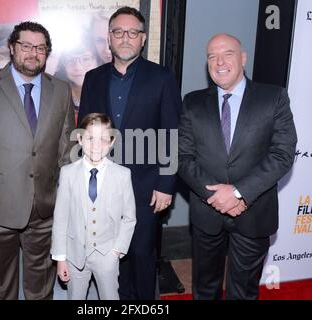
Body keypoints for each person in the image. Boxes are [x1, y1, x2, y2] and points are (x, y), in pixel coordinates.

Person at [0, 21, 75, 300]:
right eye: (26, 46)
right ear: (11, 47)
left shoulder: (60, 89)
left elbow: (66, 146)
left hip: (45, 204)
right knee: (1, 283)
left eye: (40, 48)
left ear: (47, 53)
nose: (33, 53)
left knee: (42, 281)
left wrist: (67, 195)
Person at [178, 33, 297, 300]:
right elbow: (183, 157)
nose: (219, 62)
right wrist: (215, 196)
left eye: (227, 54)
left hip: (253, 211)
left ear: (243, 58)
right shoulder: (192, 101)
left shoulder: (274, 97)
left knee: (242, 292)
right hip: (206, 212)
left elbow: (282, 154)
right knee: (204, 288)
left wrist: (238, 193)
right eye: (212, 56)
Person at [78, 7, 181, 300]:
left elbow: (172, 134)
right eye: (118, 32)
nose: (125, 38)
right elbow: (83, 133)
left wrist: (166, 184)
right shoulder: (93, 78)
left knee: (141, 254)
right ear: (109, 38)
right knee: (110, 257)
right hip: (102, 186)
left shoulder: (162, 78)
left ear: (143, 38)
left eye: (132, 32)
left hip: (147, 187)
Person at [51, 113, 136, 300]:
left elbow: (129, 218)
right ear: (80, 139)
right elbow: (60, 219)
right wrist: (60, 258)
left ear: (112, 141)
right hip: (75, 256)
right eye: (90, 138)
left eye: (103, 139)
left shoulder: (122, 175)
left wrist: (117, 251)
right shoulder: (67, 173)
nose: (96, 146)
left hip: (107, 255)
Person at [55, 39, 98, 124]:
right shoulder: (56, 96)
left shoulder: (112, 94)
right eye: (70, 60)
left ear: (98, 60)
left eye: (86, 59)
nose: (77, 67)